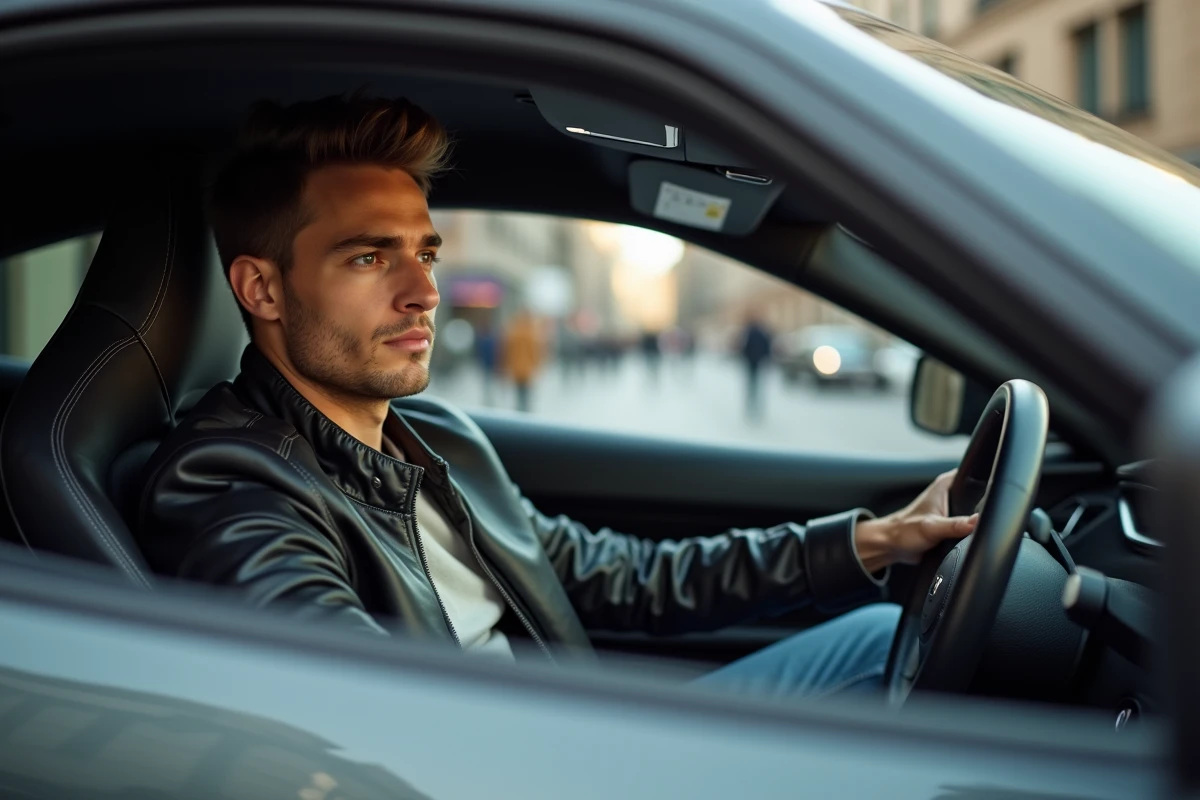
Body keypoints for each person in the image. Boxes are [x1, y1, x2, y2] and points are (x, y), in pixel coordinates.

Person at [137, 94, 977, 698]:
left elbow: (622, 578)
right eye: (368, 257)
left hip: (581, 732)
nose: (423, 293)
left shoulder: (434, 438)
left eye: (424, 254)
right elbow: (361, 719)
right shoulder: (226, 481)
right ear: (263, 289)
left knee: (880, 637)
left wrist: (876, 540)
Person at [501, 309, 544, 412]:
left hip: (516, 369)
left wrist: (505, 366)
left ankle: (519, 411)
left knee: (518, 393)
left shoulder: (513, 331)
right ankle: (525, 412)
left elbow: (506, 351)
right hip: (527, 369)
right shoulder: (532, 333)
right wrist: (537, 366)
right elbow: (536, 353)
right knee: (526, 394)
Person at [740, 314, 773, 421]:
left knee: (752, 384)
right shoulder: (761, 333)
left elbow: (744, 347)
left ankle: (751, 404)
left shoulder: (749, 333)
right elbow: (767, 347)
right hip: (757, 361)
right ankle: (754, 404)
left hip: (751, 362)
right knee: (756, 384)